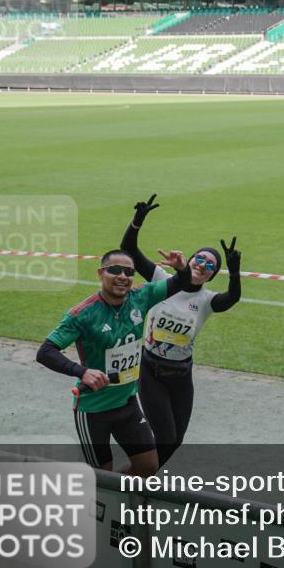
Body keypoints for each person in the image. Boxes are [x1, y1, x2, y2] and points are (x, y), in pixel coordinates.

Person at [36, 249, 193, 476]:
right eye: (115, 270)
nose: (123, 276)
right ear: (101, 273)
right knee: (101, 473)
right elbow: (45, 351)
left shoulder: (142, 296)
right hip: (93, 409)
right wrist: (82, 372)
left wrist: (181, 268)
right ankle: (98, 505)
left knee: (148, 466)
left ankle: (123, 504)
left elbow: (182, 282)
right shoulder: (83, 314)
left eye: (129, 272)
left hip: (127, 402)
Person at [120, 194, 241, 468]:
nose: (202, 265)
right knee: (164, 435)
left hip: (181, 374)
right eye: (200, 258)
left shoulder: (208, 301)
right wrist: (137, 221)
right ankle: (132, 480)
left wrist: (234, 273)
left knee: (175, 440)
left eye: (210, 265)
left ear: (212, 275)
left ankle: (134, 477)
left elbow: (231, 298)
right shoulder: (162, 280)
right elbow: (128, 248)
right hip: (150, 369)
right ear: (191, 258)